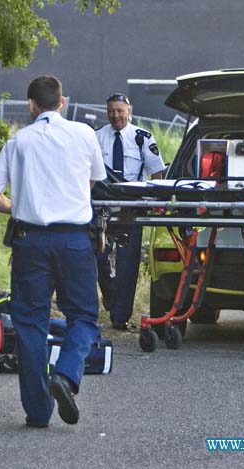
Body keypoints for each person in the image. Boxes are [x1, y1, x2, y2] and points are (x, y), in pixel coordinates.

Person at [0, 75, 107, 427]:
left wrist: (18, 204)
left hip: (30, 241)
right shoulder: (84, 134)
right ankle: (66, 375)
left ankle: (37, 411)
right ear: (62, 102)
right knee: (83, 317)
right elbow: (93, 180)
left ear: (31, 105)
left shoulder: (18, 141)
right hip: (74, 240)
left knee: (30, 324)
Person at [95, 92, 165, 330]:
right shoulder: (96, 137)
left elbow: (157, 172)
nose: (116, 116)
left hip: (131, 207)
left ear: (129, 111)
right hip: (102, 206)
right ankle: (111, 294)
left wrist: (155, 201)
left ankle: (119, 316)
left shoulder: (142, 138)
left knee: (127, 263)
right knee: (99, 258)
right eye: (112, 111)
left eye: (120, 111)